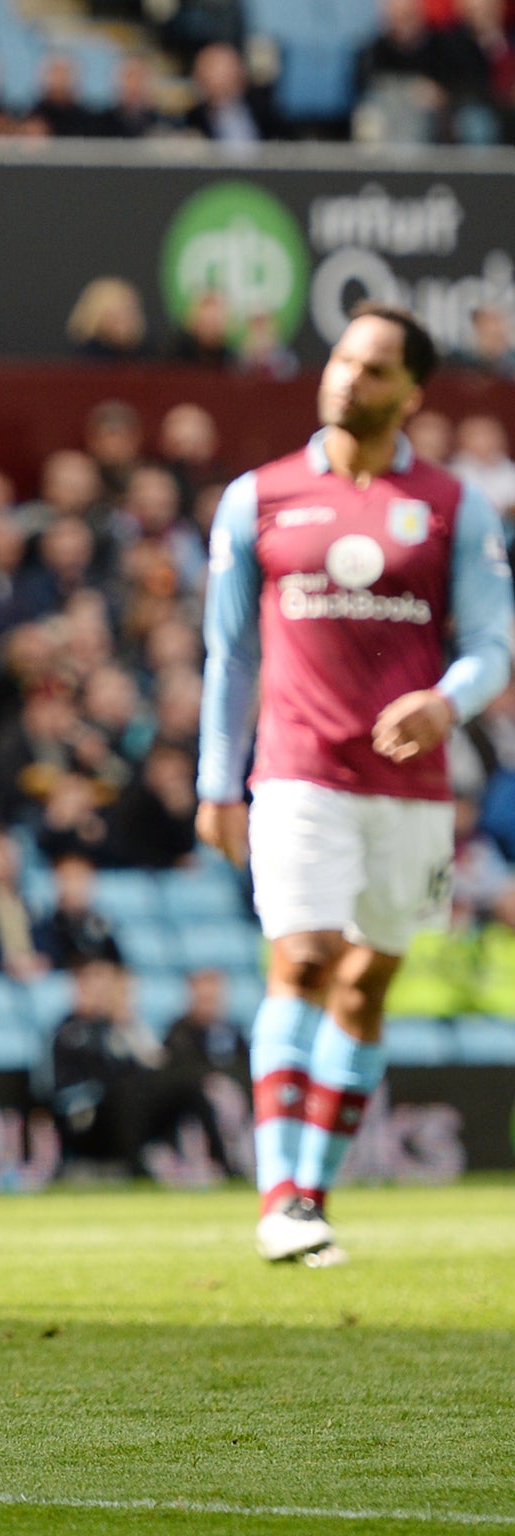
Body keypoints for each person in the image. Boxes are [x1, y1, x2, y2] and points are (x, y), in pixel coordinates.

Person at [197, 303, 512, 1267]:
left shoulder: (454, 507)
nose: (348, 381)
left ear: (412, 391)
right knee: (301, 958)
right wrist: (218, 780)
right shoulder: (260, 497)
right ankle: (282, 1194)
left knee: (369, 980)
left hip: (410, 789)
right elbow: (230, 653)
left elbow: (496, 645)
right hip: (297, 773)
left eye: (375, 370)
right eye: (342, 361)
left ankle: (310, 1196)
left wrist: (446, 704)